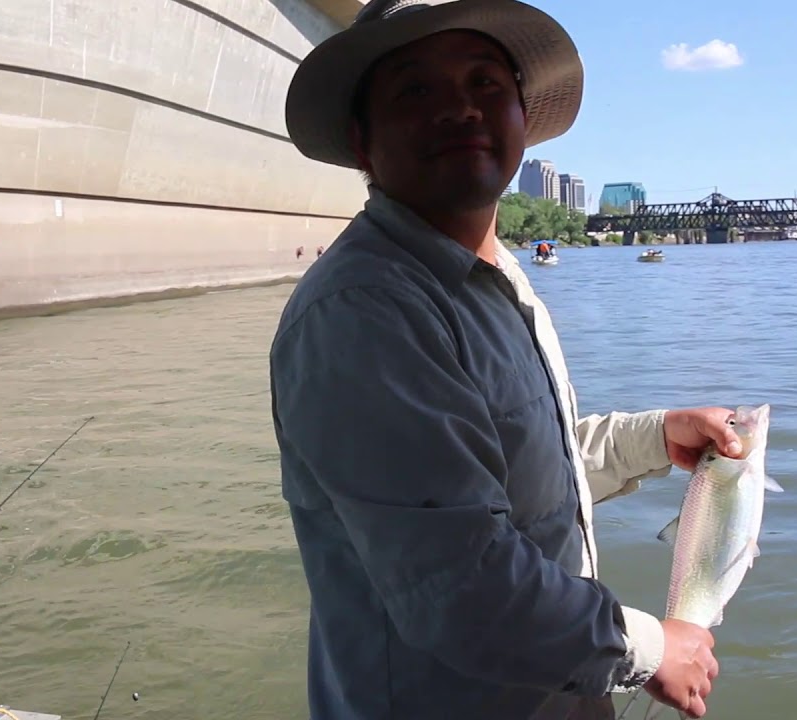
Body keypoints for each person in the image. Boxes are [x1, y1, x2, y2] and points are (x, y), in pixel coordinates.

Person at [270, 1, 736, 718]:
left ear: (521, 114)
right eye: (415, 90)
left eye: (485, 82)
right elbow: (462, 583)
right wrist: (647, 649)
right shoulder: (364, 311)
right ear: (363, 141)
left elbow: (519, 473)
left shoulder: (497, 279)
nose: (460, 108)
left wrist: (655, 436)